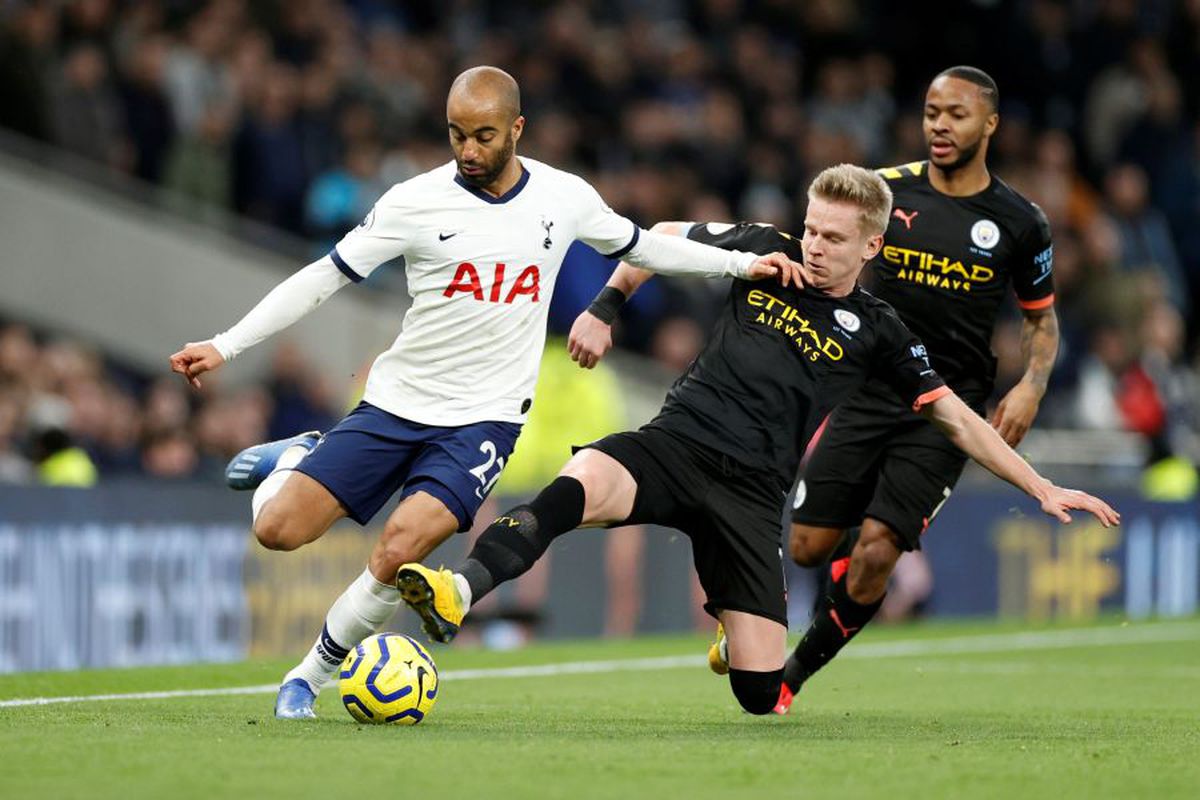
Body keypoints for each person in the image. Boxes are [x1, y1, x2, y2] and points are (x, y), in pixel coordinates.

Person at [168, 66, 804, 720]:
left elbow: (645, 246)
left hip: (484, 423)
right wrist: (227, 344)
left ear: (517, 130)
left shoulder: (563, 197)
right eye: (456, 135)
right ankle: (299, 457)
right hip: (395, 405)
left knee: (400, 549)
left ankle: (308, 677)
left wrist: (741, 264)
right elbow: (322, 278)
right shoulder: (414, 203)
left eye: (484, 135)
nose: (468, 150)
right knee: (278, 531)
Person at [392, 163, 1118, 716]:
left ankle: (741, 641)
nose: (816, 246)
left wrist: (1042, 486)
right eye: (811, 229)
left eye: (835, 238)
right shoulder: (765, 253)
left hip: (750, 496)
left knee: (759, 694)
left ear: (872, 245)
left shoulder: (881, 332)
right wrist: (607, 305)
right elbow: (665, 240)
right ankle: (459, 590)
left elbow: (956, 417)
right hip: (677, 444)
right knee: (582, 481)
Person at [779, 66, 1062, 713]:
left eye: (956, 114)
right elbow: (832, 260)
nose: (939, 124)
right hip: (869, 388)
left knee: (878, 551)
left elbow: (1040, 317)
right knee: (807, 546)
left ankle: (789, 679)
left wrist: (1031, 386)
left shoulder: (1019, 222)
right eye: (932, 110)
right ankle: (857, 563)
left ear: (989, 125)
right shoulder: (886, 193)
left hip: (947, 408)